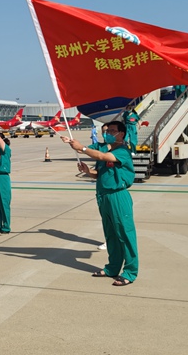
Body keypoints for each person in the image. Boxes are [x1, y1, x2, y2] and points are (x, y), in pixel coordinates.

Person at [61, 120, 138, 286]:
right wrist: (88, 171)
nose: (107, 133)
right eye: (106, 131)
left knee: (125, 234)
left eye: (111, 131)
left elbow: (102, 157)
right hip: (103, 196)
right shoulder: (103, 147)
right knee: (110, 234)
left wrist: (81, 148)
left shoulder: (123, 151)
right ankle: (112, 267)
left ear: (121, 134)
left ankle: (130, 272)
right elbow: (99, 173)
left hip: (118, 196)